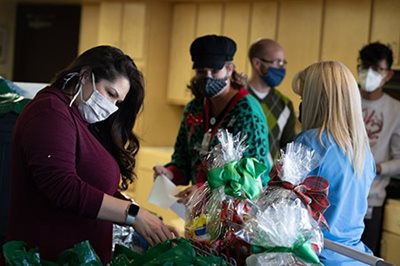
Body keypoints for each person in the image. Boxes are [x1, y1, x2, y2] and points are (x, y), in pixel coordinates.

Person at [5, 45, 178, 264]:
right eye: (110, 93)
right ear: (86, 75)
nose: (111, 107)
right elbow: (62, 186)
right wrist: (133, 215)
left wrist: (149, 221)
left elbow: (93, 188)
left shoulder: (76, 117)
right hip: (49, 256)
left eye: (118, 103)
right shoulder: (50, 111)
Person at [153, 35, 271, 203]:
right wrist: (169, 173)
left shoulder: (247, 112)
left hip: (237, 213)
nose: (208, 77)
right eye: (201, 72)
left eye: (214, 71)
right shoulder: (194, 109)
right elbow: (183, 160)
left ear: (229, 69)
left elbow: (253, 173)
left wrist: (205, 189)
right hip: (197, 211)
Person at [292, 61, 375, 265]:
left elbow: (282, 210)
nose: (301, 106)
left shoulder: (310, 144)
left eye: (304, 98)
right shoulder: (363, 151)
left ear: (316, 102)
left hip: (316, 257)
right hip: (355, 257)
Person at [357, 42, 400, 256]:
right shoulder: (348, 100)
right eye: (365, 67)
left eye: (377, 69)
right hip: (336, 195)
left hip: (371, 202)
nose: (369, 73)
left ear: (388, 75)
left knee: (364, 258)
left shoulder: (395, 110)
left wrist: (376, 167)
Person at [247, 39, 296, 163]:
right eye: (277, 62)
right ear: (257, 63)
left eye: (283, 63)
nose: (282, 68)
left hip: (270, 180)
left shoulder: (285, 105)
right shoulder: (239, 98)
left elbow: (288, 151)